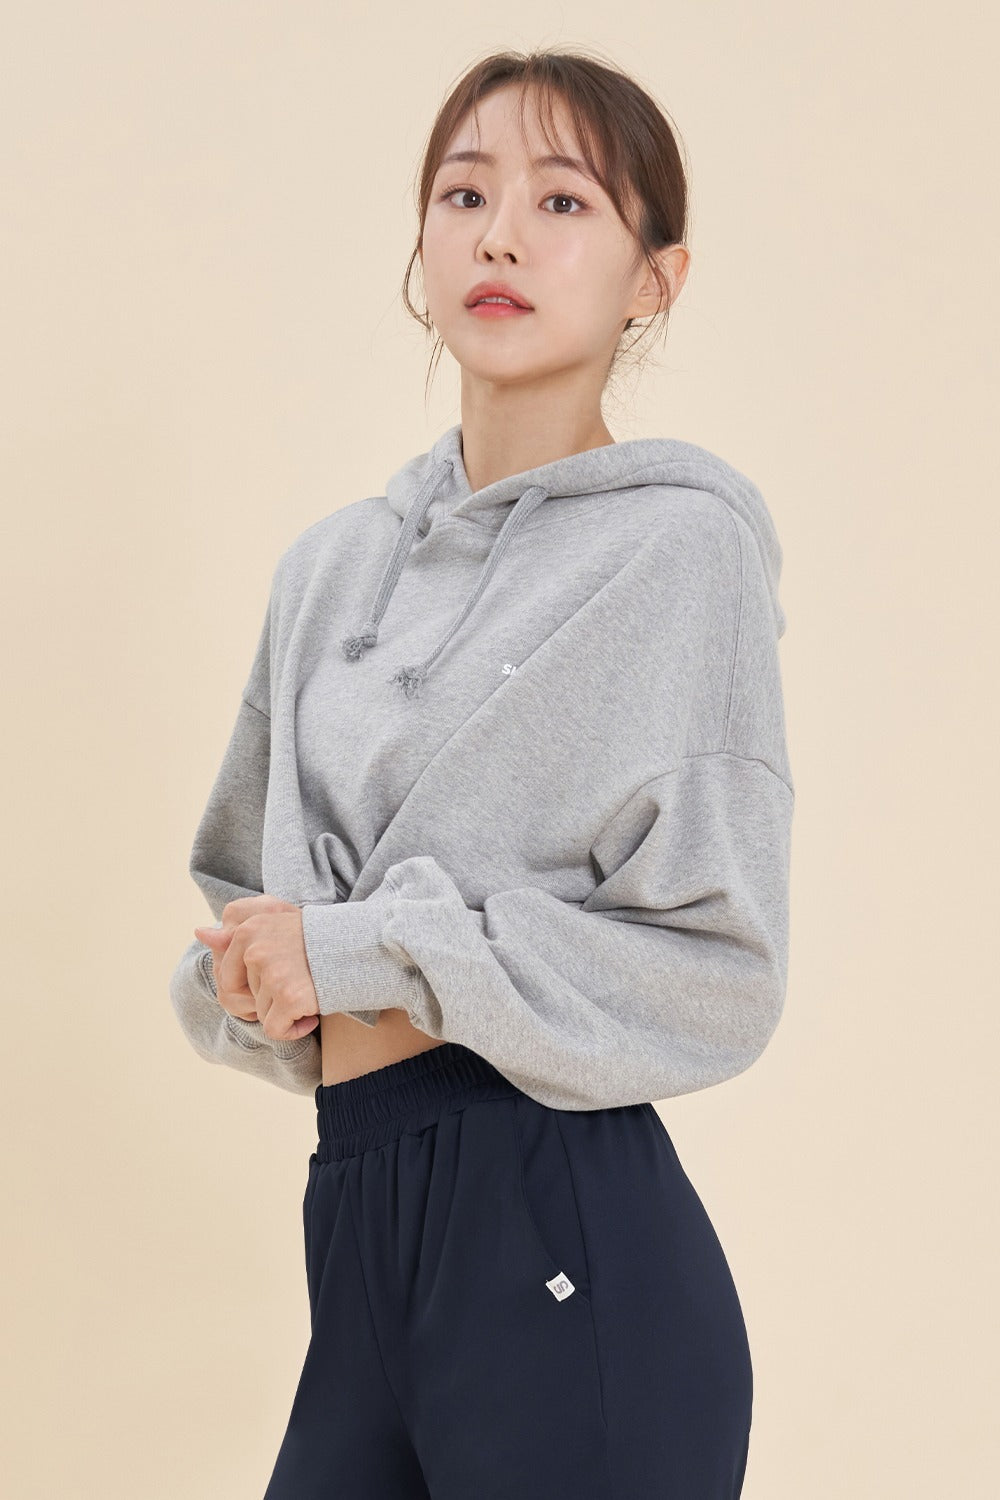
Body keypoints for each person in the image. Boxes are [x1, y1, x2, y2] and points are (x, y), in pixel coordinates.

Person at [168, 47, 794, 1500]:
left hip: (561, 1236)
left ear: (655, 279)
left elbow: (723, 971)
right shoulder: (330, 570)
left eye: (563, 202)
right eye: (464, 195)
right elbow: (243, 899)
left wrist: (360, 952)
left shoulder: (679, 552)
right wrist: (248, 981)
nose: (500, 235)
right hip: (354, 1222)